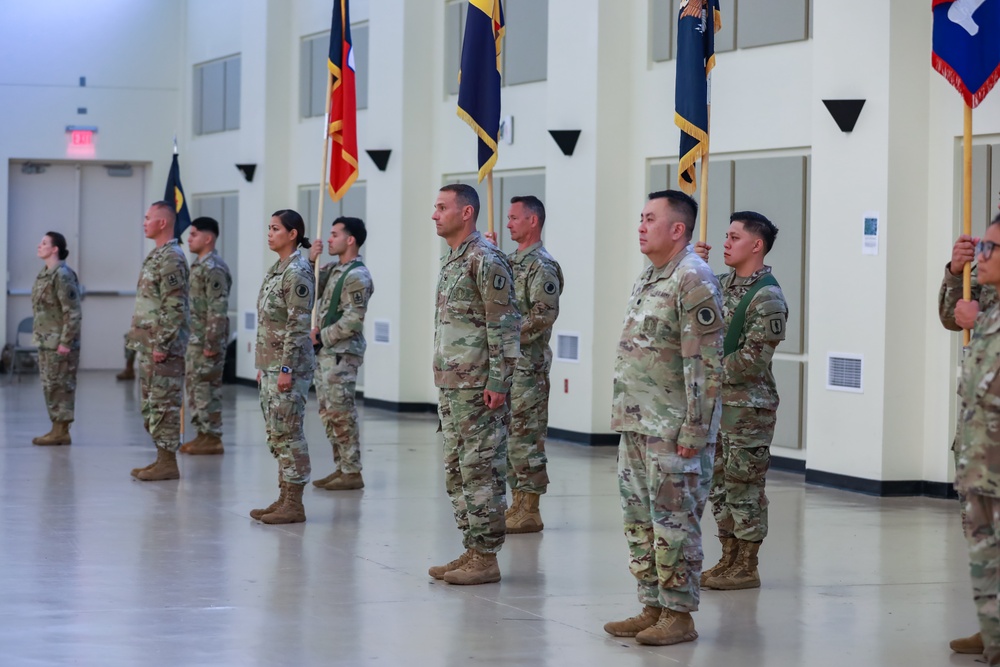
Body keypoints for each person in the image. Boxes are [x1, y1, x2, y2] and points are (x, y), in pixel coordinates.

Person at [604, 190, 723, 646]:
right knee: (641, 521)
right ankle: (652, 605)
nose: (640, 225)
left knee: (675, 524)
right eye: (640, 217)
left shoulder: (693, 279)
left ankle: (679, 615)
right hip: (638, 423)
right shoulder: (652, 275)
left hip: (673, 429)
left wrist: (695, 427)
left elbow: (705, 362)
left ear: (678, 229)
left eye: (650, 218)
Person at [427, 183, 521, 586]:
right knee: (456, 470)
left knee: (480, 469)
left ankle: (486, 556)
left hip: (479, 386)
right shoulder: (453, 260)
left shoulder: (486, 259)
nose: (434, 214)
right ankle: (471, 547)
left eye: (442, 207)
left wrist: (499, 381)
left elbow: (505, 324)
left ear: (466, 213)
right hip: (453, 384)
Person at [692, 211, 788, 590]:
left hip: (748, 409)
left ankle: (747, 565)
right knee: (719, 484)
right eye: (726, 236)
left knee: (744, 486)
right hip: (719, 406)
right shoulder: (722, 283)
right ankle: (727, 557)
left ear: (756, 245)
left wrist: (708, 370)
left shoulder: (767, 296)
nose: (726, 244)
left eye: (733, 237)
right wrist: (695, 268)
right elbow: (692, 308)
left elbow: (753, 359)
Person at [485, 196, 563, 533]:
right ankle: (516, 502)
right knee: (508, 438)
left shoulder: (541, 266)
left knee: (526, 437)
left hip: (527, 368)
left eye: (514, 218)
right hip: (507, 367)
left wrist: (507, 335)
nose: (508, 224)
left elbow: (542, 316)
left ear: (533, 221)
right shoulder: (510, 261)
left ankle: (530, 507)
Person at [940, 230, 1000, 656]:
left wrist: (979, 323)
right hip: (981, 449)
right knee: (984, 548)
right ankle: (992, 626)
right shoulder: (989, 287)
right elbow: (950, 316)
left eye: (988, 249)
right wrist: (954, 272)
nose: (981, 254)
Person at [250, 209, 316, 524]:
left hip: (289, 368)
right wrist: (265, 364)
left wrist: (287, 369)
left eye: (275, 228)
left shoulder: (297, 271)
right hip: (272, 365)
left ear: (292, 234)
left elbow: (297, 325)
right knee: (277, 432)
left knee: (289, 432)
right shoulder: (278, 269)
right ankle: (283, 497)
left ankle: (295, 503)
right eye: (269, 227)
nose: (269, 233)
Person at [308, 216, 374, 491]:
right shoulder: (335, 269)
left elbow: (353, 320)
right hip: (328, 352)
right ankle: (341, 467)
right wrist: (310, 259)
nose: (329, 239)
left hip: (341, 353)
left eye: (334, 234)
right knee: (328, 411)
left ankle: (352, 470)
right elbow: (311, 285)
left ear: (350, 240)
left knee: (341, 411)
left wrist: (320, 336)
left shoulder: (357, 275)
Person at [128, 202, 190, 481]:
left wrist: (163, 344)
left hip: (162, 347)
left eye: (148, 217)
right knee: (151, 404)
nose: (144, 222)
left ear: (162, 223)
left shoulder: (172, 258)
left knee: (164, 403)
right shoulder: (157, 254)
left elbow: (174, 305)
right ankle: (160, 458)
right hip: (148, 344)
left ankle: (168, 462)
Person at [179, 217, 232, 456]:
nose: (189, 239)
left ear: (208, 238)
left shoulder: (214, 268)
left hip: (206, 341)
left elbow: (217, 309)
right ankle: (202, 434)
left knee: (207, 388)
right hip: (195, 338)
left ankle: (212, 436)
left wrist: (212, 342)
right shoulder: (198, 266)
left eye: (194, 235)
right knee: (196, 388)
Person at [30, 232, 82, 446]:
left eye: (44, 243)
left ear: (55, 249)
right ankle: (56, 428)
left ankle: (61, 430)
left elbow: (73, 312)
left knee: (62, 385)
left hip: (59, 343)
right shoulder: (45, 274)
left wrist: (66, 342)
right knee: (50, 385)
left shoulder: (62, 275)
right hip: (45, 341)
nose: (39, 245)